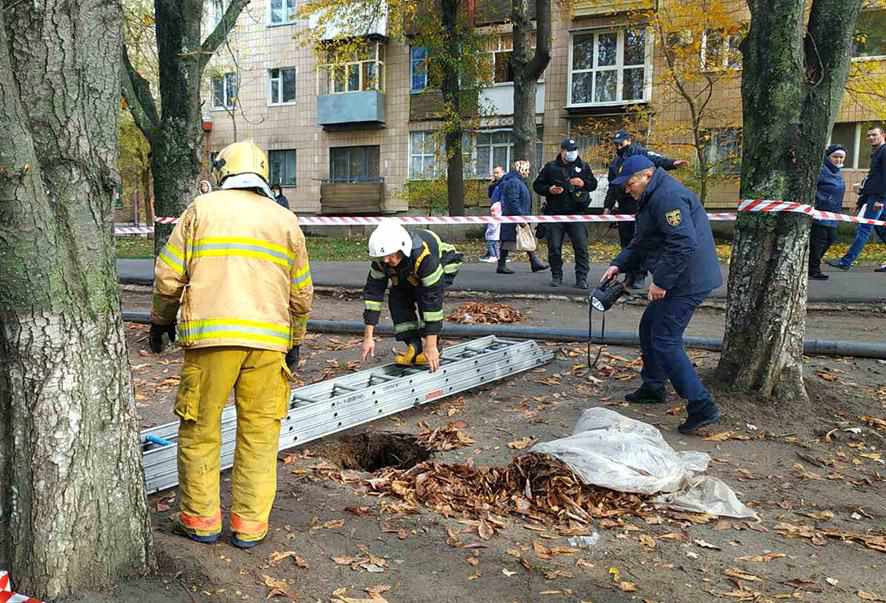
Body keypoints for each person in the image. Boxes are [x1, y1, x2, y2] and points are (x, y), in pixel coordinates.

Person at [150, 140, 313, 549]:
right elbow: (301, 293)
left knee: (200, 429)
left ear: (224, 172)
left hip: (211, 343)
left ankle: (201, 521)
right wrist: (293, 340)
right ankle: (249, 526)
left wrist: (160, 322)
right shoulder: (285, 220)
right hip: (268, 345)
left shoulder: (201, 211)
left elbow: (168, 276)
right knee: (259, 435)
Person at [600, 155, 722, 435]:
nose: (627, 189)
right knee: (649, 326)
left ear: (646, 176)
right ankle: (654, 385)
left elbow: (683, 244)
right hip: (679, 277)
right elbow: (641, 241)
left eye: (629, 184)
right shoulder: (652, 196)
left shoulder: (668, 197)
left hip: (687, 280)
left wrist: (661, 283)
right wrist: (618, 264)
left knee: (665, 339)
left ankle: (702, 405)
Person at [360, 221, 463, 373]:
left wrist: (431, 345)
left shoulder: (424, 256)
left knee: (423, 298)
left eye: (388, 256)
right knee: (397, 299)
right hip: (409, 273)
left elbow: (432, 302)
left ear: (401, 248)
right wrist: (368, 337)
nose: (385, 261)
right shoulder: (382, 261)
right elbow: (373, 294)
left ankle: (433, 347)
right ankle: (414, 347)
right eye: (382, 258)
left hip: (444, 262)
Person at [604, 129, 688, 289]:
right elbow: (612, 187)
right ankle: (630, 274)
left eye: (621, 143)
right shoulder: (615, 163)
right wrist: (607, 207)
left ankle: (640, 275)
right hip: (624, 207)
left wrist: (672, 163)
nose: (618, 146)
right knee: (627, 241)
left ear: (629, 140)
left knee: (642, 239)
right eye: (616, 144)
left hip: (638, 203)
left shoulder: (640, 154)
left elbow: (657, 160)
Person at [533, 138, 598, 288]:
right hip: (555, 213)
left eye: (574, 150)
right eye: (569, 150)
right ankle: (556, 276)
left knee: (581, 247)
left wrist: (583, 183)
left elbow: (593, 184)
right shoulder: (551, 167)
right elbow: (537, 185)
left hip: (577, 213)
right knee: (554, 247)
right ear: (562, 151)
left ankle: (581, 278)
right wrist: (549, 190)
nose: (572, 153)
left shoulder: (583, 166)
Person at [827, 125, 886, 270]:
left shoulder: (884, 152)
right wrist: (862, 190)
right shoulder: (878, 152)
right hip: (875, 196)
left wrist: (880, 199)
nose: (871, 138)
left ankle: (846, 262)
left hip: (879, 198)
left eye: (874, 135)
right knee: (882, 230)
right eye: (869, 135)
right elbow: (875, 178)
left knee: (864, 228)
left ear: (883, 135)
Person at [497, 160, 548, 274]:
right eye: (527, 169)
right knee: (512, 240)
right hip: (515, 217)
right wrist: (520, 217)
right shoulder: (514, 182)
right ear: (521, 169)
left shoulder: (516, 181)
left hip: (516, 216)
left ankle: (534, 261)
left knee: (520, 238)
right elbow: (513, 201)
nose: (528, 172)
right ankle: (533, 261)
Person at [809, 144, 847, 280]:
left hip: (833, 213)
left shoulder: (837, 171)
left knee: (830, 239)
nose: (838, 160)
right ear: (828, 157)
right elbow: (812, 188)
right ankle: (813, 270)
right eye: (835, 157)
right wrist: (822, 201)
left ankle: (811, 266)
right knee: (818, 242)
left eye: (841, 157)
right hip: (820, 212)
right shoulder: (822, 170)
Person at [480, 166, 506, 263]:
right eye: (494, 173)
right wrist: (492, 184)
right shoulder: (496, 184)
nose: (495, 175)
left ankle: (496, 255)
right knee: (492, 234)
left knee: (494, 234)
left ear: (502, 172)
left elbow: (503, 198)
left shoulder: (504, 183)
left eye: (497, 173)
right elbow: (490, 195)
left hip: (499, 211)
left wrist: (500, 208)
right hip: (494, 210)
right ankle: (493, 253)